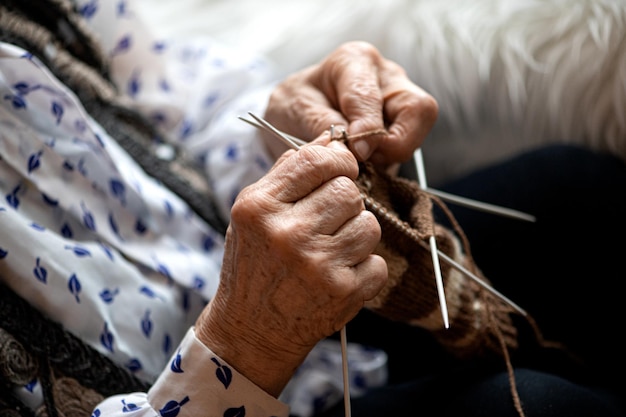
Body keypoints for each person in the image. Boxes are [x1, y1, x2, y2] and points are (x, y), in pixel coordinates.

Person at [0, 2, 624, 417]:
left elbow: (179, 94)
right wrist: (245, 345)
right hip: (213, 393)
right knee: (538, 406)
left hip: (300, 290)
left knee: (580, 195)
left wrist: (277, 126)